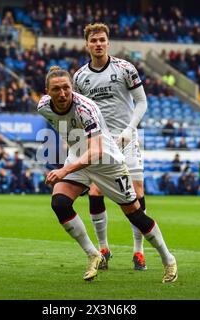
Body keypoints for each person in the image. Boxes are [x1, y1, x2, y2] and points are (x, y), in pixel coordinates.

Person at [37, 66, 177, 282]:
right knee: (60, 203)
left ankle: (168, 260)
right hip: (79, 157)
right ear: (47, 91)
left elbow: (97, 151)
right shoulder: (43, 107)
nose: (62, 93)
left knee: (135, 214)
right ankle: (94, 254)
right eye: (56, 89)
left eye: (66, 88)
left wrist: (64, 169)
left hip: (107, 162)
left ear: (72, 87)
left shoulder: (86, 108)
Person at [73, 23, 150, 270]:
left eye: (102, 40)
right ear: (87, 44)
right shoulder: (80, 77)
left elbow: (141, 102)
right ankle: (103, 249)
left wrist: (129, 129)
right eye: (93, 40)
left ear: (108, 42)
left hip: (127, 139)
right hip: (99, 142)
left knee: (136, 193)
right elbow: (78, 112)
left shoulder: (125, 69)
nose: (98, 44)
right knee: (96, 192)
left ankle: (139, 251)